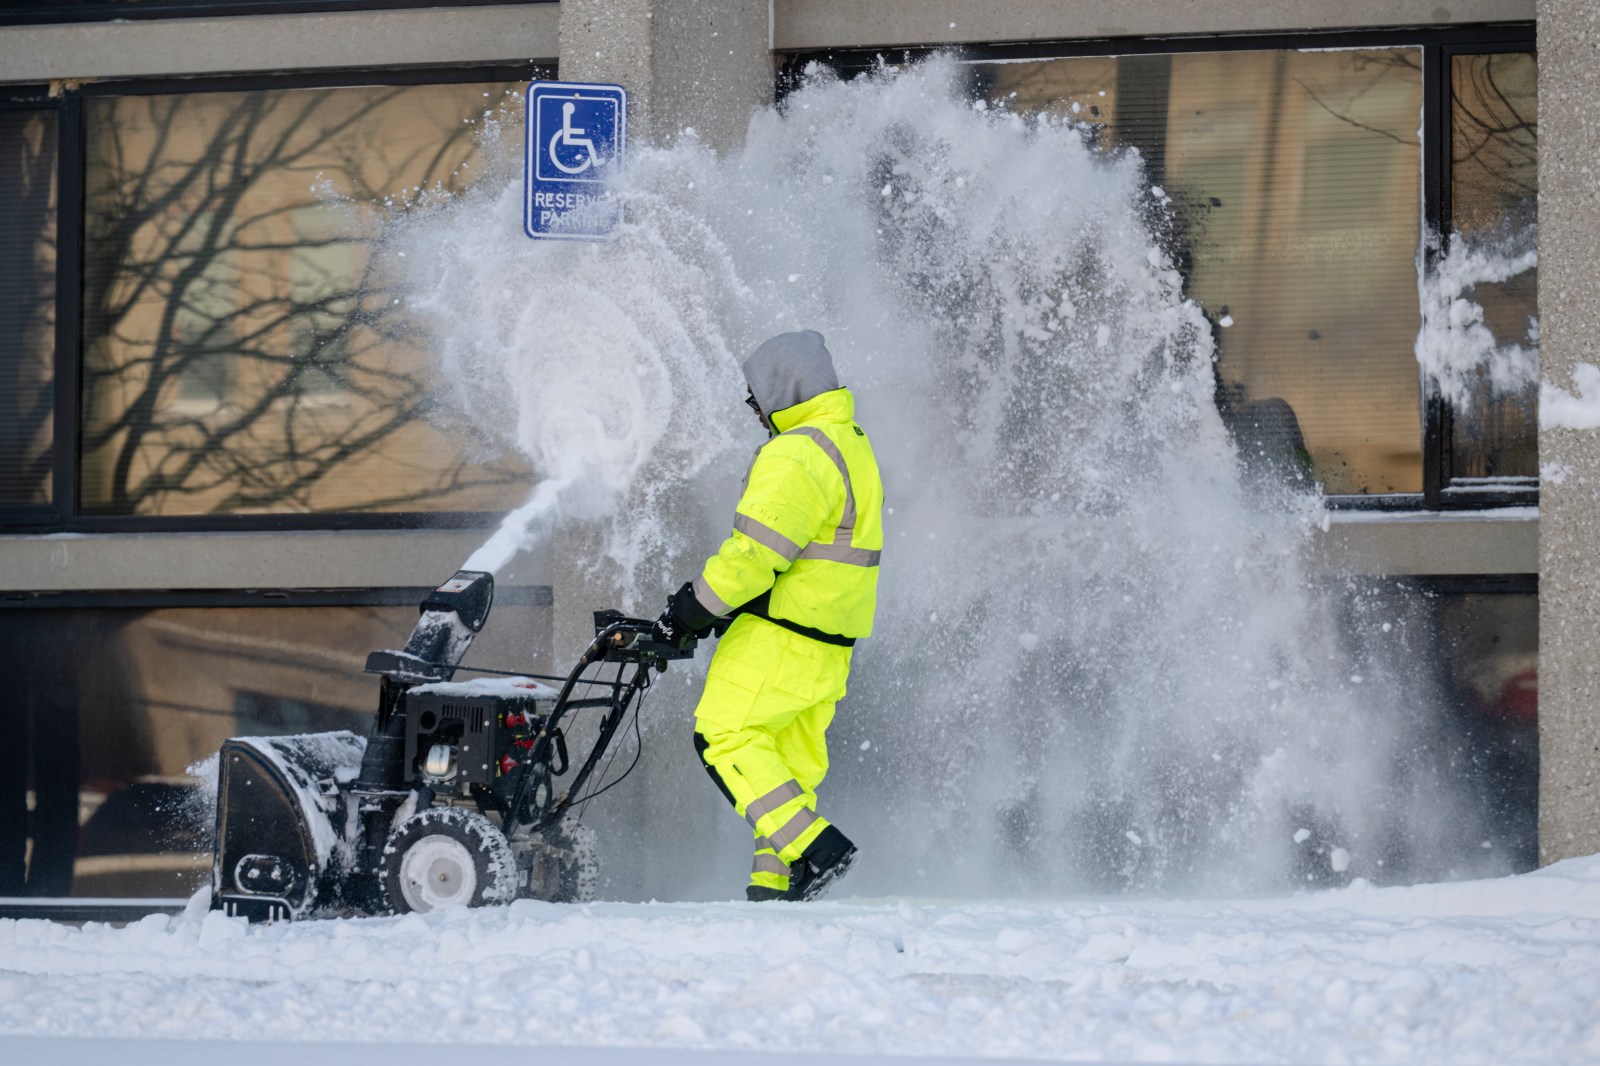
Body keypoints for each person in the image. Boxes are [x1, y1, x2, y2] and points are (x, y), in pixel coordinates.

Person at [652, 330, 883, 902]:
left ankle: (818, 848)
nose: (753, 408)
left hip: (781, 633)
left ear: (782, 388)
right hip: (828, 643)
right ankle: (774, 883)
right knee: (786, 764)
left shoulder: (799, 451)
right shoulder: (851, 442)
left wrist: (690, 609)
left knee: (725, 735)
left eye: (755, 395)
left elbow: (755, 555)